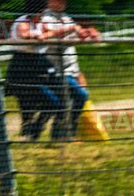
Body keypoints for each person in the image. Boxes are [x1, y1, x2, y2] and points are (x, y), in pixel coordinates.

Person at [40, 0, 100, 140]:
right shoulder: (44, 18)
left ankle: (61, 134)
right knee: (80, 96)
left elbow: (77, 33)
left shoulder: (66, 18)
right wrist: (71, 29)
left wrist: (89, 32)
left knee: (69, 101)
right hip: (56, 70)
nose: (62, 3)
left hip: (71, 68)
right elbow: (50, 35)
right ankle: (66, 132)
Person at [6, 0, 63, 141]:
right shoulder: (23, 22)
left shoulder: (40, 22)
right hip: (23, 64)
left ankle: (33, 131)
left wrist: (43, 35)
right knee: (27, 104)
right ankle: (29, 133)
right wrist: (35, 36)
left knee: (54, 101)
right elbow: (23, 33)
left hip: (39, 62)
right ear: (36, 11)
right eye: (42, 11)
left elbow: (51, 32)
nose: (44, 14)